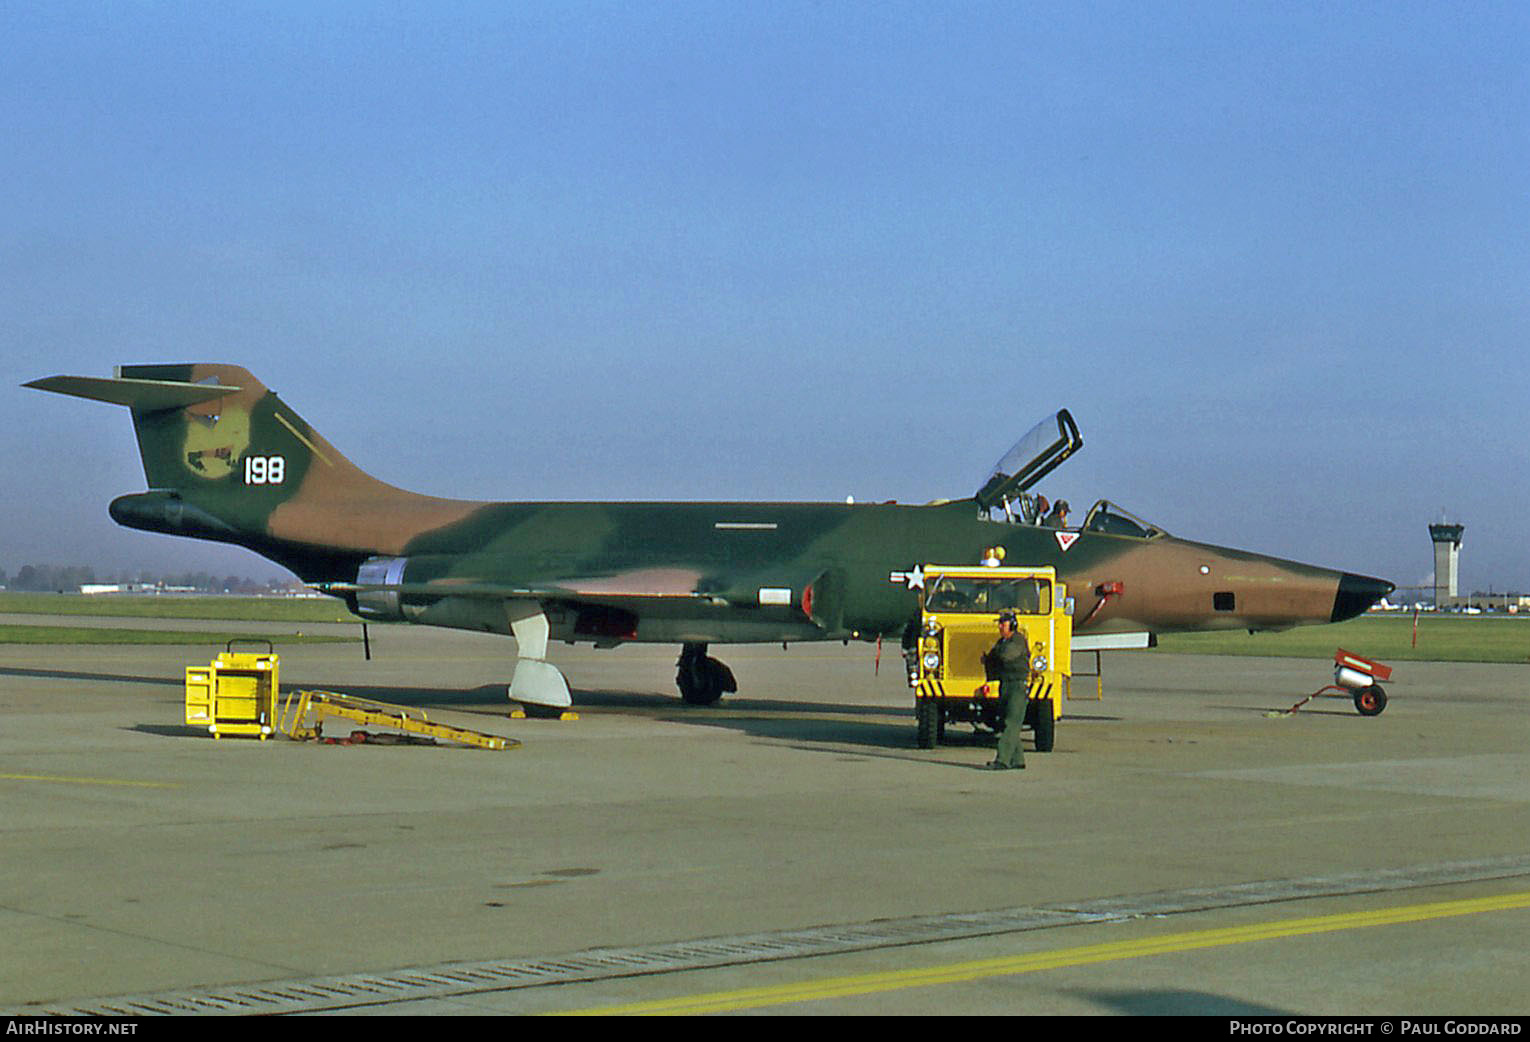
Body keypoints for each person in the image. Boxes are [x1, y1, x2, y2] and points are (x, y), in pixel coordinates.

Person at [980, 609, 1030, 770]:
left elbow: (1006, 656)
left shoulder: (1018, 641)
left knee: (1012, 723)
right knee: (1006, 722)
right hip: (1005, 684)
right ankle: (1017, 759)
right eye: (1000, 624)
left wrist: (993, 656)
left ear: (1013, 625)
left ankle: (1002, 760)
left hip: (1017, 685)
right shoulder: (1001, 642)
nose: (1000, 627)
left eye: (1003, 624)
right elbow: (995, 658)